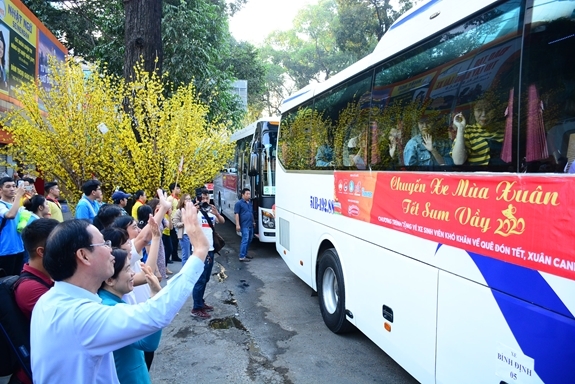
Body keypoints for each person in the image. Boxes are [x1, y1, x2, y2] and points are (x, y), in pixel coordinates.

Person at [30, 202, 209, 383]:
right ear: (83, 255)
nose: (111, 251)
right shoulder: (80, 316)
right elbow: (156, 314)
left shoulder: (49, 300)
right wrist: (200, 251)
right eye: (104, 243)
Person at [98, 249, 162, 384]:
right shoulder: (112, 308)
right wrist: (156, 297)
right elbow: (148, 343)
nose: (133, 273)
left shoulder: (107, 300)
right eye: (127, 269)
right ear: (110, 280)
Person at [12, 219, 59, 384]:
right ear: (42, 251)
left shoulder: (48, 278)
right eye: (61, 244)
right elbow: (66, 320)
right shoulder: (29, 288)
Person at [190, 189, 225, 319]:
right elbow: (189, 223)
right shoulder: (196, 212)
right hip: (200, 250)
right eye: (203, 198)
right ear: (198, 199)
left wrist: (217, 213)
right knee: (200, 279)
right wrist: (194, 209)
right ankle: (196, 308)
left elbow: (222, 222)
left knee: (206, 278)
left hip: (210, 249)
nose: (206, 201)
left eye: (207, 198)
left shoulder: (211, 211)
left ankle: (201, 302)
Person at [452, 99, 505, 165]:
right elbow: (458, 161)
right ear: (473, 112)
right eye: (479, 110)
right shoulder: (467, 130)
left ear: (495, 111)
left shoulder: (505, 130)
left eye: (488, 110)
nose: (483, 114)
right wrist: (460, 129)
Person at [0, 177, 26, 275]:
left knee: (16, 281)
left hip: (19, 248)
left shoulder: (17, 206)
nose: (12, 189)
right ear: (1, 190)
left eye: (14, 186)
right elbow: (10, 215)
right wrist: (18, 196)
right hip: (5, 250)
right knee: (5, 283)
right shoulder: (1, 205)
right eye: (8, 186)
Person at [234, 188, 255, 262]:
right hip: (244, 225)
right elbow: (237, 214)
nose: (249, 195)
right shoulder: (239, 203)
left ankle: (245, 253)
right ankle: (242, 256)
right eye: (247, 194)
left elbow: (251, 213)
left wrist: (253, 222)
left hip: (250, 224)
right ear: (242, 194)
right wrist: (237, 225)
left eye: (249, 194)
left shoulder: (249, 203)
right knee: (245, 239)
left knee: (250, 239)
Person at [172, 194, 192, 266]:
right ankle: (184, 272)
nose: (188, 201)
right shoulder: (179, 211)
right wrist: (184, 223)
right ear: (183, 201)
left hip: (191, 235)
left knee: (191, 255)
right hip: (184, 235)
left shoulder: (192, 210)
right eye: (186, 199)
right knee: (186, 255)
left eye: (189, 199)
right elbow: (175, 223)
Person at [167, 182, 182, 262]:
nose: (179, 190)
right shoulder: (170, 199)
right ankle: (169, 256)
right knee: (172, 240)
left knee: (176, 240)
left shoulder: (177, 199)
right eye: (177, 188)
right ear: (172, 190)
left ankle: (174, 255)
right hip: (172, 222)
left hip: (177, 222)